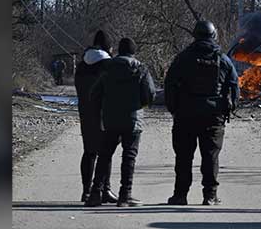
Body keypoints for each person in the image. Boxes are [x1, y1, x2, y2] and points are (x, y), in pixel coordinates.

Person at [164, 20, 239, 206]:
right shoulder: (223, 59)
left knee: (183, 157)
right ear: (213, 35)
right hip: (214, 116)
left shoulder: (183, 57)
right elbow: (234, 85)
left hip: (185, 115)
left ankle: (180, 195)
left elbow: (169, 84)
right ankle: (210, 195)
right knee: (211, 156)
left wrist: (174, 108)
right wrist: (231, 107)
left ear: (195, 35)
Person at [85, 38, 156, 207]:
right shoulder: (141, 68)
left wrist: (102, 109)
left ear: (119, 50)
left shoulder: (107, 68)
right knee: (129, 156)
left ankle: (95, 194)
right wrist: (141, 105)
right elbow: (150, 94)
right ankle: (125, 195)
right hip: (133, 119)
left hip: (111, 118)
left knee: (104, 155)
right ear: (133, 52)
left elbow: (94, 94)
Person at [73, 30, 118, 203]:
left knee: (89, 152)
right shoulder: (109, 65)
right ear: (108, 47)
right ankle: (104, 189)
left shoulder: (82, 65)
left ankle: (86, 191)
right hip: (104, 113)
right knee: (106, 152)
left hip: (85, 112)